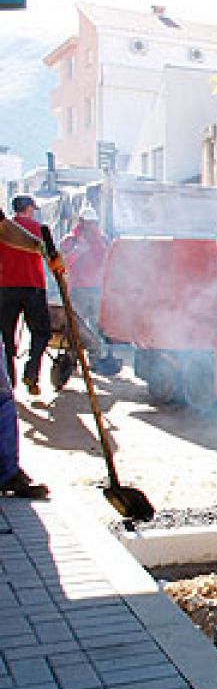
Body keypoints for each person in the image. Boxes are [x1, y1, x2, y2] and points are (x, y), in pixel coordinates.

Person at [0, 207, 50, 499]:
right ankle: (6, 472)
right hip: (26, 290)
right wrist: (39, 246)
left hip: (6, 291)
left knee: (3, 393)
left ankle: (7, 471)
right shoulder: (33, 226)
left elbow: (3, 228)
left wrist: (39, 246)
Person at [0, 195, 61, 396]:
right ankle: (32, 371)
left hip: (6, 288)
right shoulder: (39, 229)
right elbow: (51, 257)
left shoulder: (5, 228)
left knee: (6, 338)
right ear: (28, 208)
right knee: (42, 333)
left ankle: (8, 383)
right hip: (33, 287)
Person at [61, 204, 109, 336]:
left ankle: (98, 354)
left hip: (97, 289)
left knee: (98, 325)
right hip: (78, 288)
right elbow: (63, 264)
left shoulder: (102, 239)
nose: (92, 227)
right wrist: (78, 250)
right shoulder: (71, 240)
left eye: (94, 223)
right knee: (77, 324)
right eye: (89, 223)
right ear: (81, 222)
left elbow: (107, 262)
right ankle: (74, 352)